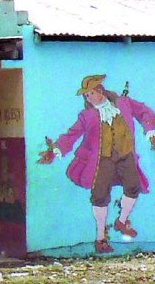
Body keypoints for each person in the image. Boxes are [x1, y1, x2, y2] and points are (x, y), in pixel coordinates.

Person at [39, 74, 155, 254]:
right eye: (86, 96)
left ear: (100, 91)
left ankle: (121, 221)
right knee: (100, 196)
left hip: (126, 154)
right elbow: (72, 134)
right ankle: (101, 238)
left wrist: (150, 131)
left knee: (133, 187)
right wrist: (55, 151)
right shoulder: (87, 115)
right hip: (102, 160)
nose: (88, 98)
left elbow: (145, 112)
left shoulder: (124, 103)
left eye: (90, 93)